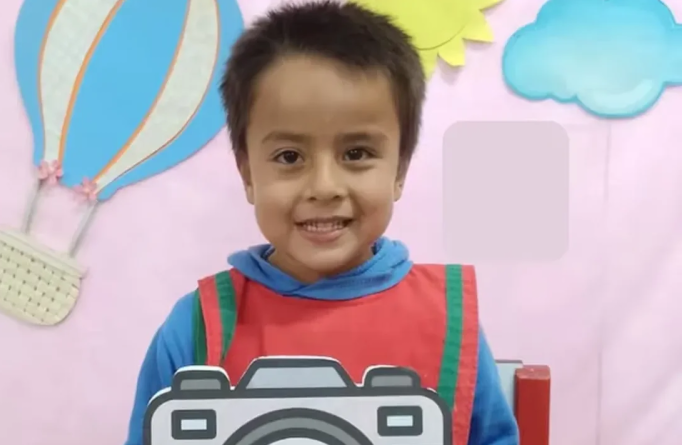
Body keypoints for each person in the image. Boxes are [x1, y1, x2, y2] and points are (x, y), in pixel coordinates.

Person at [124, 1, 519, 444]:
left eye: (357, 153)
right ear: (248, 174)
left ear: (400, 170)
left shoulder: (448, 321)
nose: (324, 186)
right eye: (289, 157)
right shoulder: (198, 327)